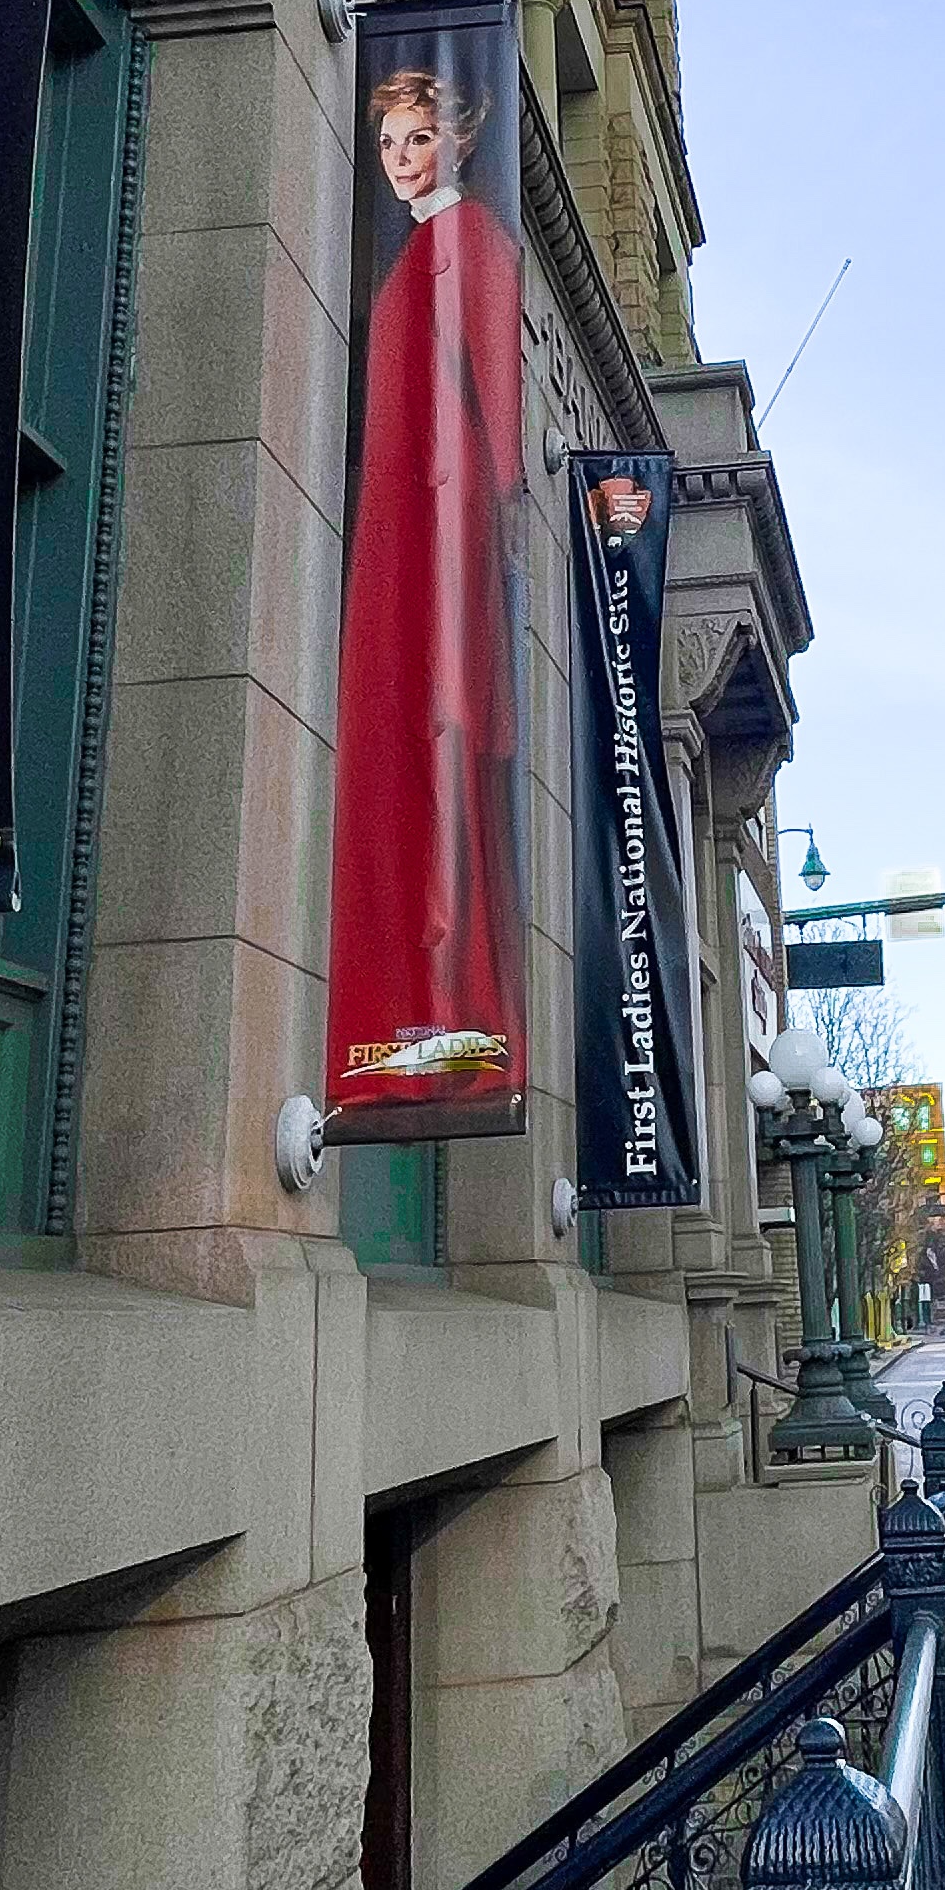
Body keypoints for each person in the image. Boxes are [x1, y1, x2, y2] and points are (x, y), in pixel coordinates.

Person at [327, 62, 528, 1113]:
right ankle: (400, 1020)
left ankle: (450, 1024)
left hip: (438, 562)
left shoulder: (469, 246)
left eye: (418, 139)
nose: (401, 161)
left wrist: (490, 554)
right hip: (400, 548)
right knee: (387, 770)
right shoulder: (423, 247)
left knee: (425, 768)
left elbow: (498, 424)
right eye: (389, 144)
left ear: (456, 142)